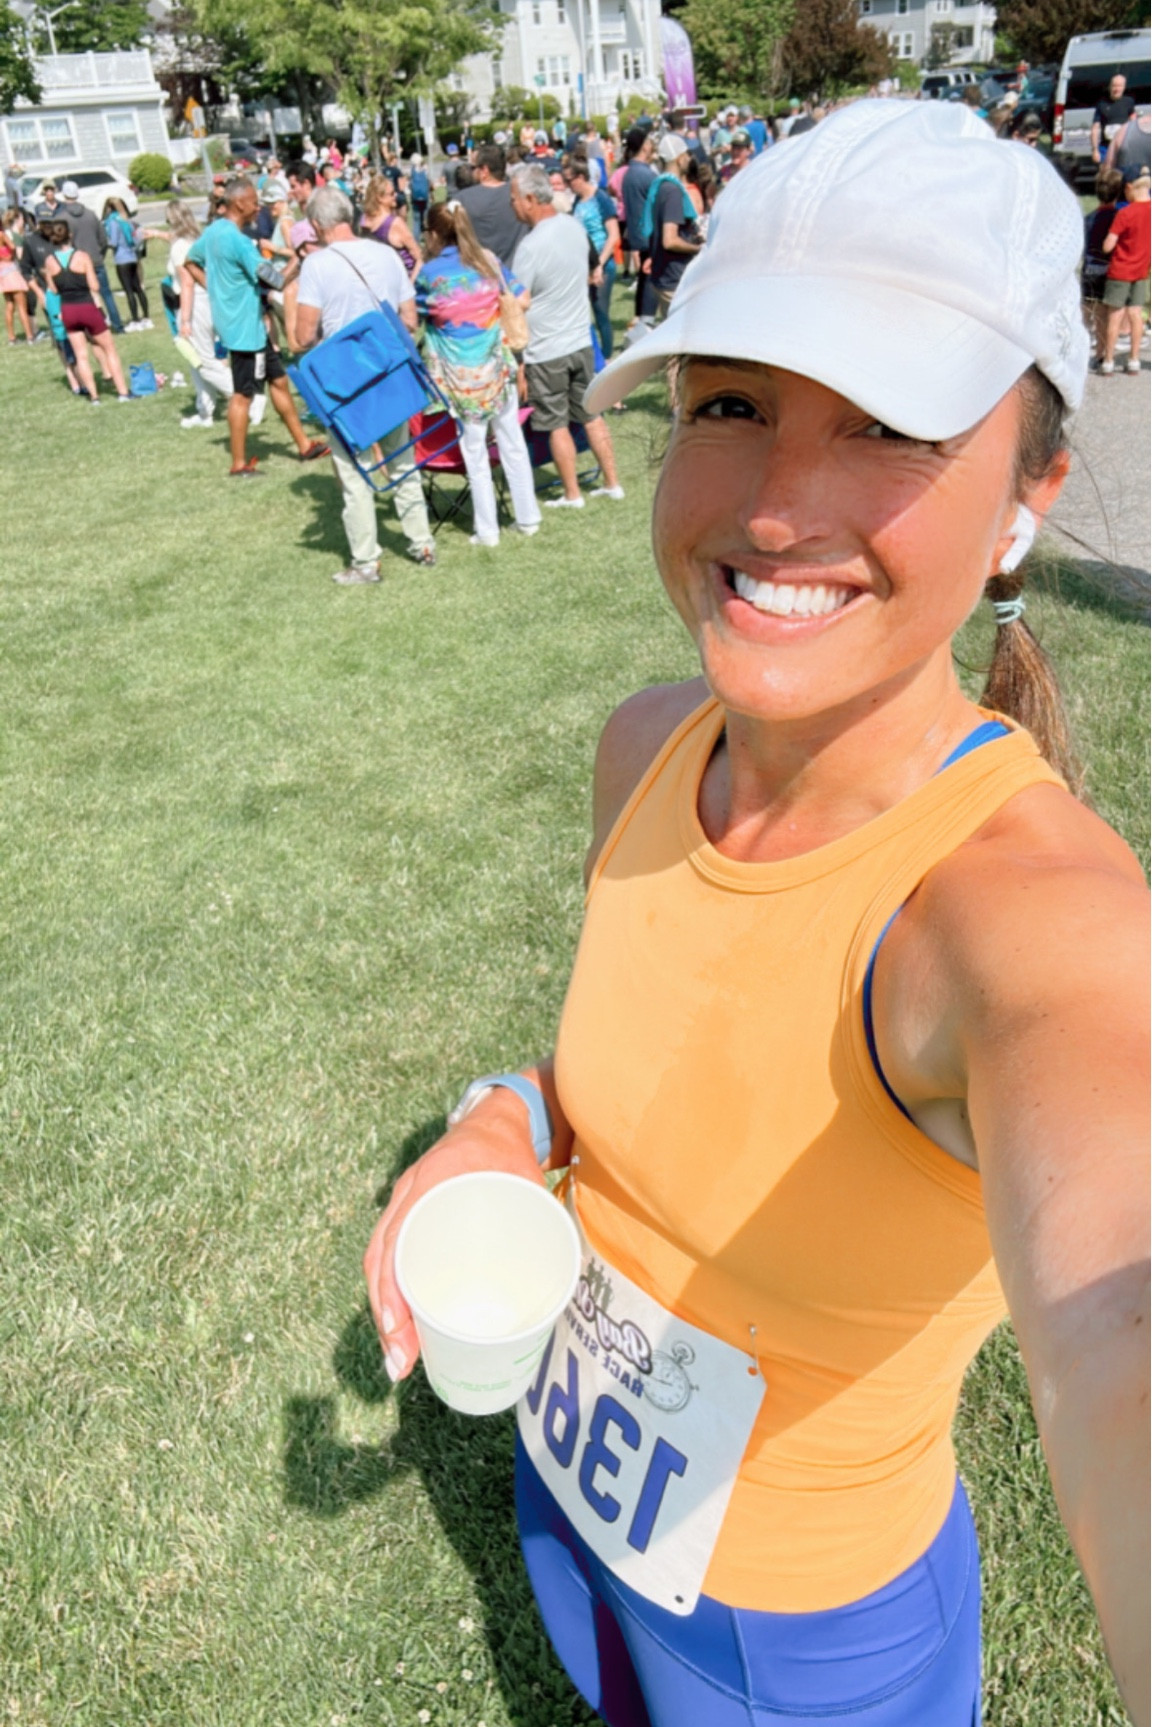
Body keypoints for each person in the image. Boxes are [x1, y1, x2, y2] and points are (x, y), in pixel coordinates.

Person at [365, 101, 1149, 1727]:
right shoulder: (647, 747)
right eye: (729, 401)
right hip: (576, 1493)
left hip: (809, 1633)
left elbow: (1117, 1322)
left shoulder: (1021, 920)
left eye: (886, 424)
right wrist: (506, 1127)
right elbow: (640, 1080)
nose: (778, 501)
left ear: (1025, 496)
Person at [294, 187, 438, 579]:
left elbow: (303, 336)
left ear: (318, 226)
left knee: (355, 473)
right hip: (390, 371)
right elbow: (410, 319)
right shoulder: (386, 254)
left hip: (347, 383)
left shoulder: (317, 265)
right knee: (402, 461)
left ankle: (366, 561)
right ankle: (422, 542)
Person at [414, 198, 541, 548]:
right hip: (497, 365)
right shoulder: (489, 261)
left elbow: (416, 316)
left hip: (460, 376)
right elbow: (523, 298)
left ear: (434, 234)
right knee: (511, 441)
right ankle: (527, 517)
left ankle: (487, 530)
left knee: (475, 450)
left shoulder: (429, 275)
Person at [183, 176, 328, 477]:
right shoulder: (237, 241)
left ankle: (304, 445)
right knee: (242, 395)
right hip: (244, 331)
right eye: (253, 202)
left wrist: (213, 289)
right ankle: (238, 464)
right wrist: (299, 258)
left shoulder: (214, 232)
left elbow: (190, 261)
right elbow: (273, 280)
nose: (258, 207)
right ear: (239, 203)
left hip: (247, 326)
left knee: (278, 381)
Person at [507, 161, 624, 508]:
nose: (512, 205)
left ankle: (573, 493)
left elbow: (518, 303)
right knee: (592, 414)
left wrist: (517, 358)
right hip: (580, 340)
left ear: (530, 199)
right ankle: (612, 482)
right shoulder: (573, 226)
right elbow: (590, 267)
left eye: (514, 198)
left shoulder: (529, 248)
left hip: (546, 350)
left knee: (556, 423)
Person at [42, 219, 132, 402]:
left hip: (68, 310)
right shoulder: (82, 256)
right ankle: (123, 392)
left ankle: (94, 397)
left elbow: (53, 289)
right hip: (86, 306)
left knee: (81, 356)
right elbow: (94, 285)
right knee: (109, 349)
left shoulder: (50, 261)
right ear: (70, 236)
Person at [166, 200, 234, 428]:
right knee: (195, 361)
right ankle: (205, 411)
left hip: (193, 303)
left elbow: (186, 282)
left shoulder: (179, 248)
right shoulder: (198, 240)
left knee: (204, 360)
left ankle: (241, 395)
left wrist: (185, 319)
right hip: (208, 299)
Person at [564, 154, 620, 360]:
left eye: (569, 180)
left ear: (580, 177)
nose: (568, 185)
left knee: (601, 311)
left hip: (602, 264)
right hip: (584, 264)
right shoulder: (578, 200)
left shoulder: (601, 198)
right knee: (587, 312)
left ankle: (606, 357)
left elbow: (613, 235)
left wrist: (599, 265)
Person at [1099, 166, 1150, 376]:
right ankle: (1134, 360)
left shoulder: (1125, 213)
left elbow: (1108, 246)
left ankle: (1108, 360)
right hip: (1141, 271)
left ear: (1129, 188)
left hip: (1120, 271)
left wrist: (1104, 243)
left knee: (1115, 316)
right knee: (1136, 314)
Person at [645, 133, 702, 320]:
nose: (689, 159)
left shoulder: (660, 186)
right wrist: (698, 248)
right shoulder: (672, 190)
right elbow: (669, 240)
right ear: (679, 159)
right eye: (686, 155)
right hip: (674, 280)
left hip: (662, 276)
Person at [58, 179, 125, 333]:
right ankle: (118, 325)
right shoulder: (91, 214)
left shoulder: (62, 218)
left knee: (84, 298)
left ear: (64, 195)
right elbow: (103, 239)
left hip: (76, 264)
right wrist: (98, 254)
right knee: (106, 294)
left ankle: (93, 327)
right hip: (96, 259)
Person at [456, 142, 529, 268]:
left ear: (484, 170)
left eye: (474, 167)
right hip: (517, 274)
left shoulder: (462, 199)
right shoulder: (522, 195)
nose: (472, 171)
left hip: (479, 276)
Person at [1082, 166, 1123, 361]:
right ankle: (1100, 352)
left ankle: (1079, 347)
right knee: (1102, 315)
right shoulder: (1117, 218)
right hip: (1108, 269)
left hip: (1089, 267)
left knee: (1086, 310)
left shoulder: (1089, 218)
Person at [620, 128, 657, 318]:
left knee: (644, 279)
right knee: (650, 279)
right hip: (649, 237)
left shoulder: (629, 173)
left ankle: (640, 317)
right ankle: (646, 318)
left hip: (638, 235)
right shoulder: (645, 175)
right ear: (644, 146)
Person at [360, 174, 422, 279]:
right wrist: (411, 286)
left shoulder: (363, 220)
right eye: (392, 194)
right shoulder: (395, 223)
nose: (396, 195)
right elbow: (419, 258)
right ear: (380, 198)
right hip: (402, 279)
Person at [102, 197, 151, 329]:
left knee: (128, 290)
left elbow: (114, 242)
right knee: (139, 289)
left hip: (121, 259)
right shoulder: (127, 221)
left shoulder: (112, 222)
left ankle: (135, 320)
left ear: (109, 208)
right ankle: (146, 317)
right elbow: (135, 239)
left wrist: (104, 245)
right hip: (133, 257)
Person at [0, 210, 34, 343]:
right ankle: (30, 335)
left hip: (1, 272)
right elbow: (13, 247)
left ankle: (11, 337)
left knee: (9, 304)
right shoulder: (2, 235)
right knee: (21, 304)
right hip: (10, 270)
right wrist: (10, 254)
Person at [1091, 73, 1135, 166]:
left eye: (1119, 86)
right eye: (1114, 85)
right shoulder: (1101, 104)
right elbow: (1095, 129)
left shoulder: (1129, 102)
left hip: (1124, 147)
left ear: (1124, 87)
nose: (1116, 89)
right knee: (1105, 176)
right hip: (1106, 147)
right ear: (1110, 86)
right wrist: (1095, 150)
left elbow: (1134, 124)